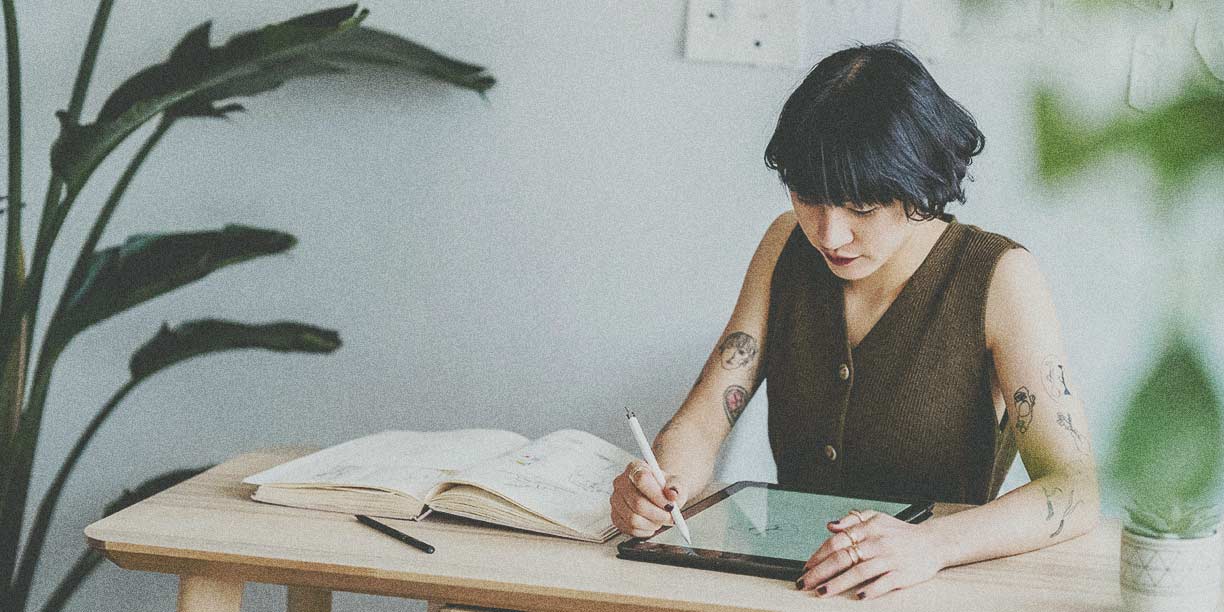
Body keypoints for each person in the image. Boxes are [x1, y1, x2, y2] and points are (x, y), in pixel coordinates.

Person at [608, 41, 1099, 600]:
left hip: (928, 590)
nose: (829, 234)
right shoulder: (784, 246)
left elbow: (1074, 489)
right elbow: (704, 421)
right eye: (808, 198)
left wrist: (932, 544)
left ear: (920, 185)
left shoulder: (1001, 277)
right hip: (787, 588)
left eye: (862, 209)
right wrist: (657, 485)